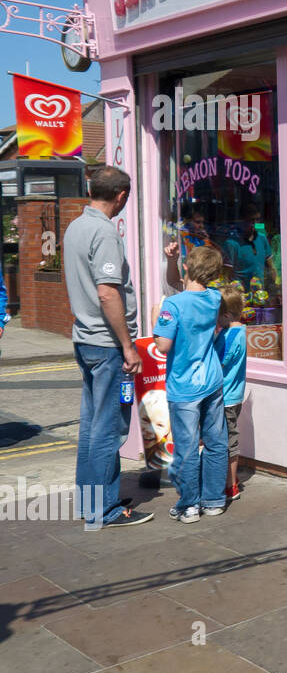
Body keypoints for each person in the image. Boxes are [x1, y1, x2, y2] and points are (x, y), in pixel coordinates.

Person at [63, 166, 150, 527]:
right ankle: (105, 509)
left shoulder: (75, 227)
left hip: (84, 339)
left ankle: (91, 501)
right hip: (107, 344)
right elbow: (107, 291)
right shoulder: (104, 233)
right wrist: (128, 347)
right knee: (109, 428)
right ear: (121, 196)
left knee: (92, 425)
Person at [154, 244, 227, 522]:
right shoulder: (214, 298)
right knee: (215, 442)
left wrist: (157, 320)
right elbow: (179, 285)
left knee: (186, 447)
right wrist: (171, 260)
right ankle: (213, 500)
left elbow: (163, 345)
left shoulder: (173, 305)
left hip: (184, 386)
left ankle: (189, 505)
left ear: (188, 267)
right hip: (212, 380)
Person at [215, 282, 248, 502]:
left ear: (225, 315)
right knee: (228, 439)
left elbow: (220, 362)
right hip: (233, 395)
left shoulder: (229, 336)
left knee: (228, 442)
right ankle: (229, 482)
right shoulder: (242, 330)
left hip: (225, 397)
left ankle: (230, 484)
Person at [223, 203, 274, 288]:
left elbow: (271, 266)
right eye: (250, 220)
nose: (254, 224)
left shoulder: (262, 238)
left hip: (260, 294)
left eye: (257, 220)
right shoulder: (231, 243)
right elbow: (226, 274)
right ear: (241, 221)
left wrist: (275, 285)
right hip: (240, 295)